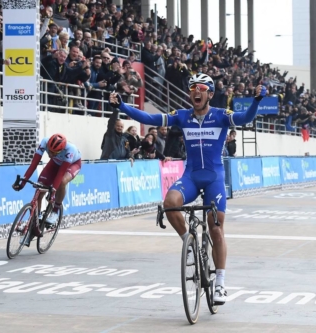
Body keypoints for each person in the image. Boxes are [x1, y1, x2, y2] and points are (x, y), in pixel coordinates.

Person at [109, 73, 266, 305]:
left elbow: (244, 119)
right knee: (170, 203)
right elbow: (150, 117)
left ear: (210, 94)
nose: (196, 91)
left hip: (214, 177)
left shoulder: (221, 116)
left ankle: (221, 283)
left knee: (216, 229)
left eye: (201, 88)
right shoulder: (182, 116)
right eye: (192, 88)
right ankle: (188, 242)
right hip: (191, 176)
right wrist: (122, 106)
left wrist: (256, 101)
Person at [12, 134, 81, 236]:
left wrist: (53, 192)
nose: (51, 154)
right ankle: (37, 219)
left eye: (54, 153)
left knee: (62, 182)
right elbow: (33, 164)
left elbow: (61, 173)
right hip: (55, 163)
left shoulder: (70, 149)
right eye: (50, 151)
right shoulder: (45, 141)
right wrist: (22, 183)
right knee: (40, 186)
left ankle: (55, 212)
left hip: (72, 164)